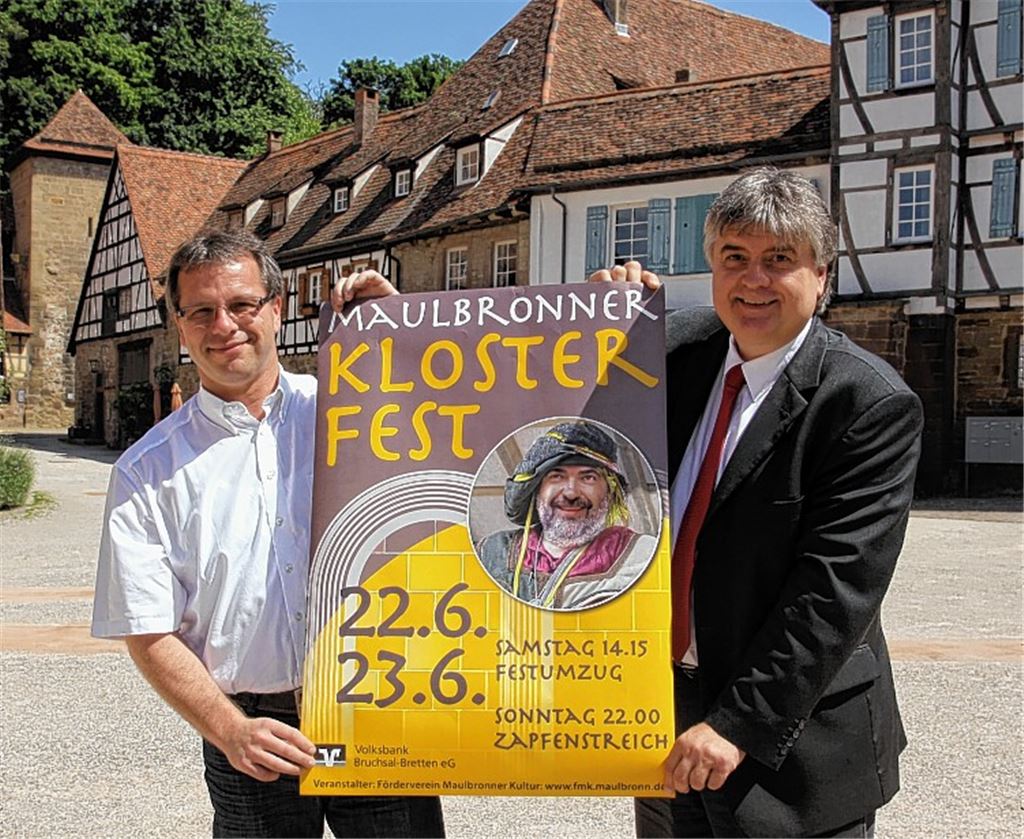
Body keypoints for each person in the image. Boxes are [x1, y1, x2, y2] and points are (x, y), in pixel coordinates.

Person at [592, 167, 923, 837]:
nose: (754, 279)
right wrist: (592, 310)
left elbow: (833, 593)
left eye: (780, 259)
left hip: (789, 750)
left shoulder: (867, 403)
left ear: (822, 274)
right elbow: (531, 393)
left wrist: (735, 724)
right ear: (711, 265)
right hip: (665, 725)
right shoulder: (669, 354)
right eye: (734, 257)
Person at [90, 230, 443, 838]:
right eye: (201, 310)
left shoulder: (356, 411)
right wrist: (229, 730)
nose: (223, 324)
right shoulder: (146, 471)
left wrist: (396, 333)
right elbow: (148, 630)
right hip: (253, 735)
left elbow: (469, 427)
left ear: (276, 309)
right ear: (181, 326)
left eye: (242, 304)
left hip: (378, 715)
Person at [475, 420, 658, 610]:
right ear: (537, 491)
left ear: (610, 493)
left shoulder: (643, 556)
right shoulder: (489, 552)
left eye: (588, 477)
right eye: (557, 476)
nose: (571, 493)